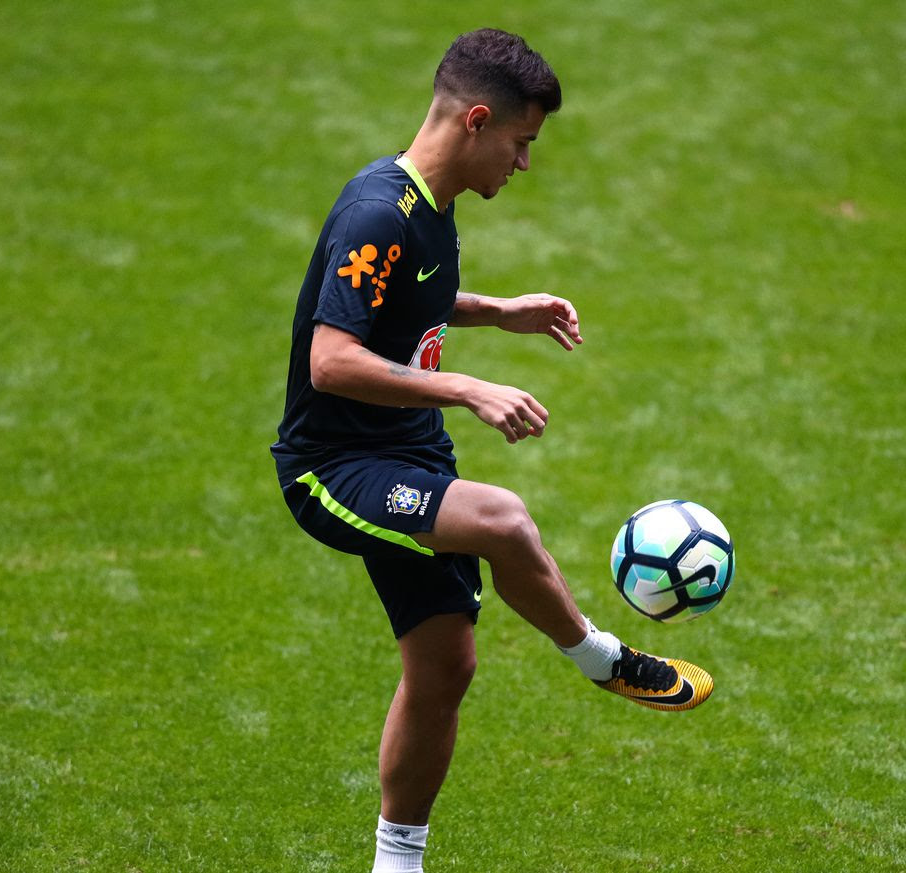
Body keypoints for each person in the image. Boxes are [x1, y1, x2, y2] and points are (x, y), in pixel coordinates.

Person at [270, 28, 713, 873]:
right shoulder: (377, 211)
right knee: (503, 518)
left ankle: (396, 864)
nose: (524, 163)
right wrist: (467, 386)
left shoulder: (428, 207)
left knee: (445, 666)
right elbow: (331, 360)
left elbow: (407, 297)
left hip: (408, 453)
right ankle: (602, 658)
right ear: (477, 121)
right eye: (521, 142)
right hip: (336, 469)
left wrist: (497, 310)